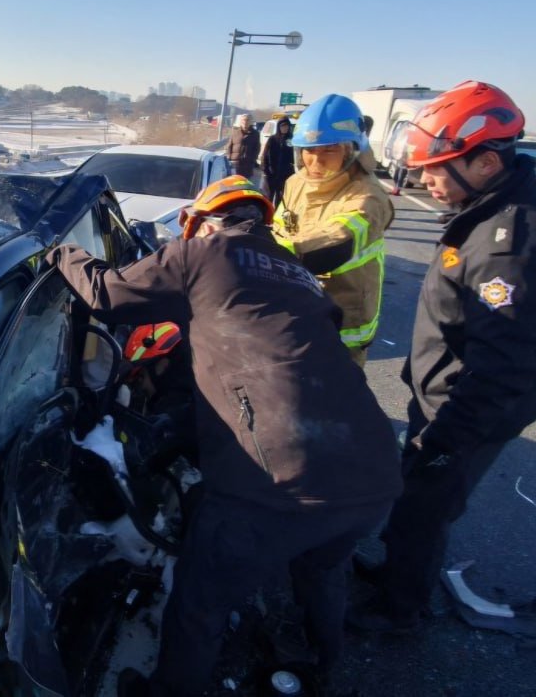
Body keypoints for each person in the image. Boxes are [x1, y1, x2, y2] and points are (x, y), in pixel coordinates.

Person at [44, 177, 401, 697]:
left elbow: (108, 293)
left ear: (204, 224)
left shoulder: (202, 254)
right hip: (373, 468)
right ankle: (321, 662)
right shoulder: (300, 274)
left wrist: (62, 253)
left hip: (277, 482)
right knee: (323, 571)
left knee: (201, 602)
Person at [348, 81, 536, 633]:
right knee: (414, 497)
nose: (423, 181)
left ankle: (400, 610)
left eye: (436, 168)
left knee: (427, 504)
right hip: (444, 393)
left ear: (485, 161)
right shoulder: (494, 204)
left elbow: (501, 362)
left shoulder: (513, 242)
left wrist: (448, 438)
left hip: (466, 408)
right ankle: (398, 572)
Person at [272, 94, 395, 367]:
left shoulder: (368, 196)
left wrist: (270, 253)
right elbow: (279, 228)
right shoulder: (296, 183)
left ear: (351, 150)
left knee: (338, 402)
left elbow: (337, 242)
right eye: (309, 151)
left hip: (343, 323)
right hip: (297, 307)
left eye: (328, 151)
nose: (316, 163)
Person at [259, 117, 296, 208]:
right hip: (271, 173)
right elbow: (265, 155)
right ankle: (267, 216)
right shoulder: (273, 139)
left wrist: (292, 169)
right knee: (268, 197)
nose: (285, 128)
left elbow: (295, 156)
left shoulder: (292, 140)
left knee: (281, 198)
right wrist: (265, 170)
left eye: (287, 126)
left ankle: (276, 216)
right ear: (279, 127)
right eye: (283, 126)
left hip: (285, 175)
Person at [224, 113, 261, 181]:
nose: (245, 122)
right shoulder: (235, 132)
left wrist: (252, 159)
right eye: (243, 120)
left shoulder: (255, 134)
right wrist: (229, 157)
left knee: (244, 185)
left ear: (250, 122)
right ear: (240, 122)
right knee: (233, 183)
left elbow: (257, 148)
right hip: (235, 164)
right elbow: (229, 146)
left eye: (247, 120)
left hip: (247, 165)